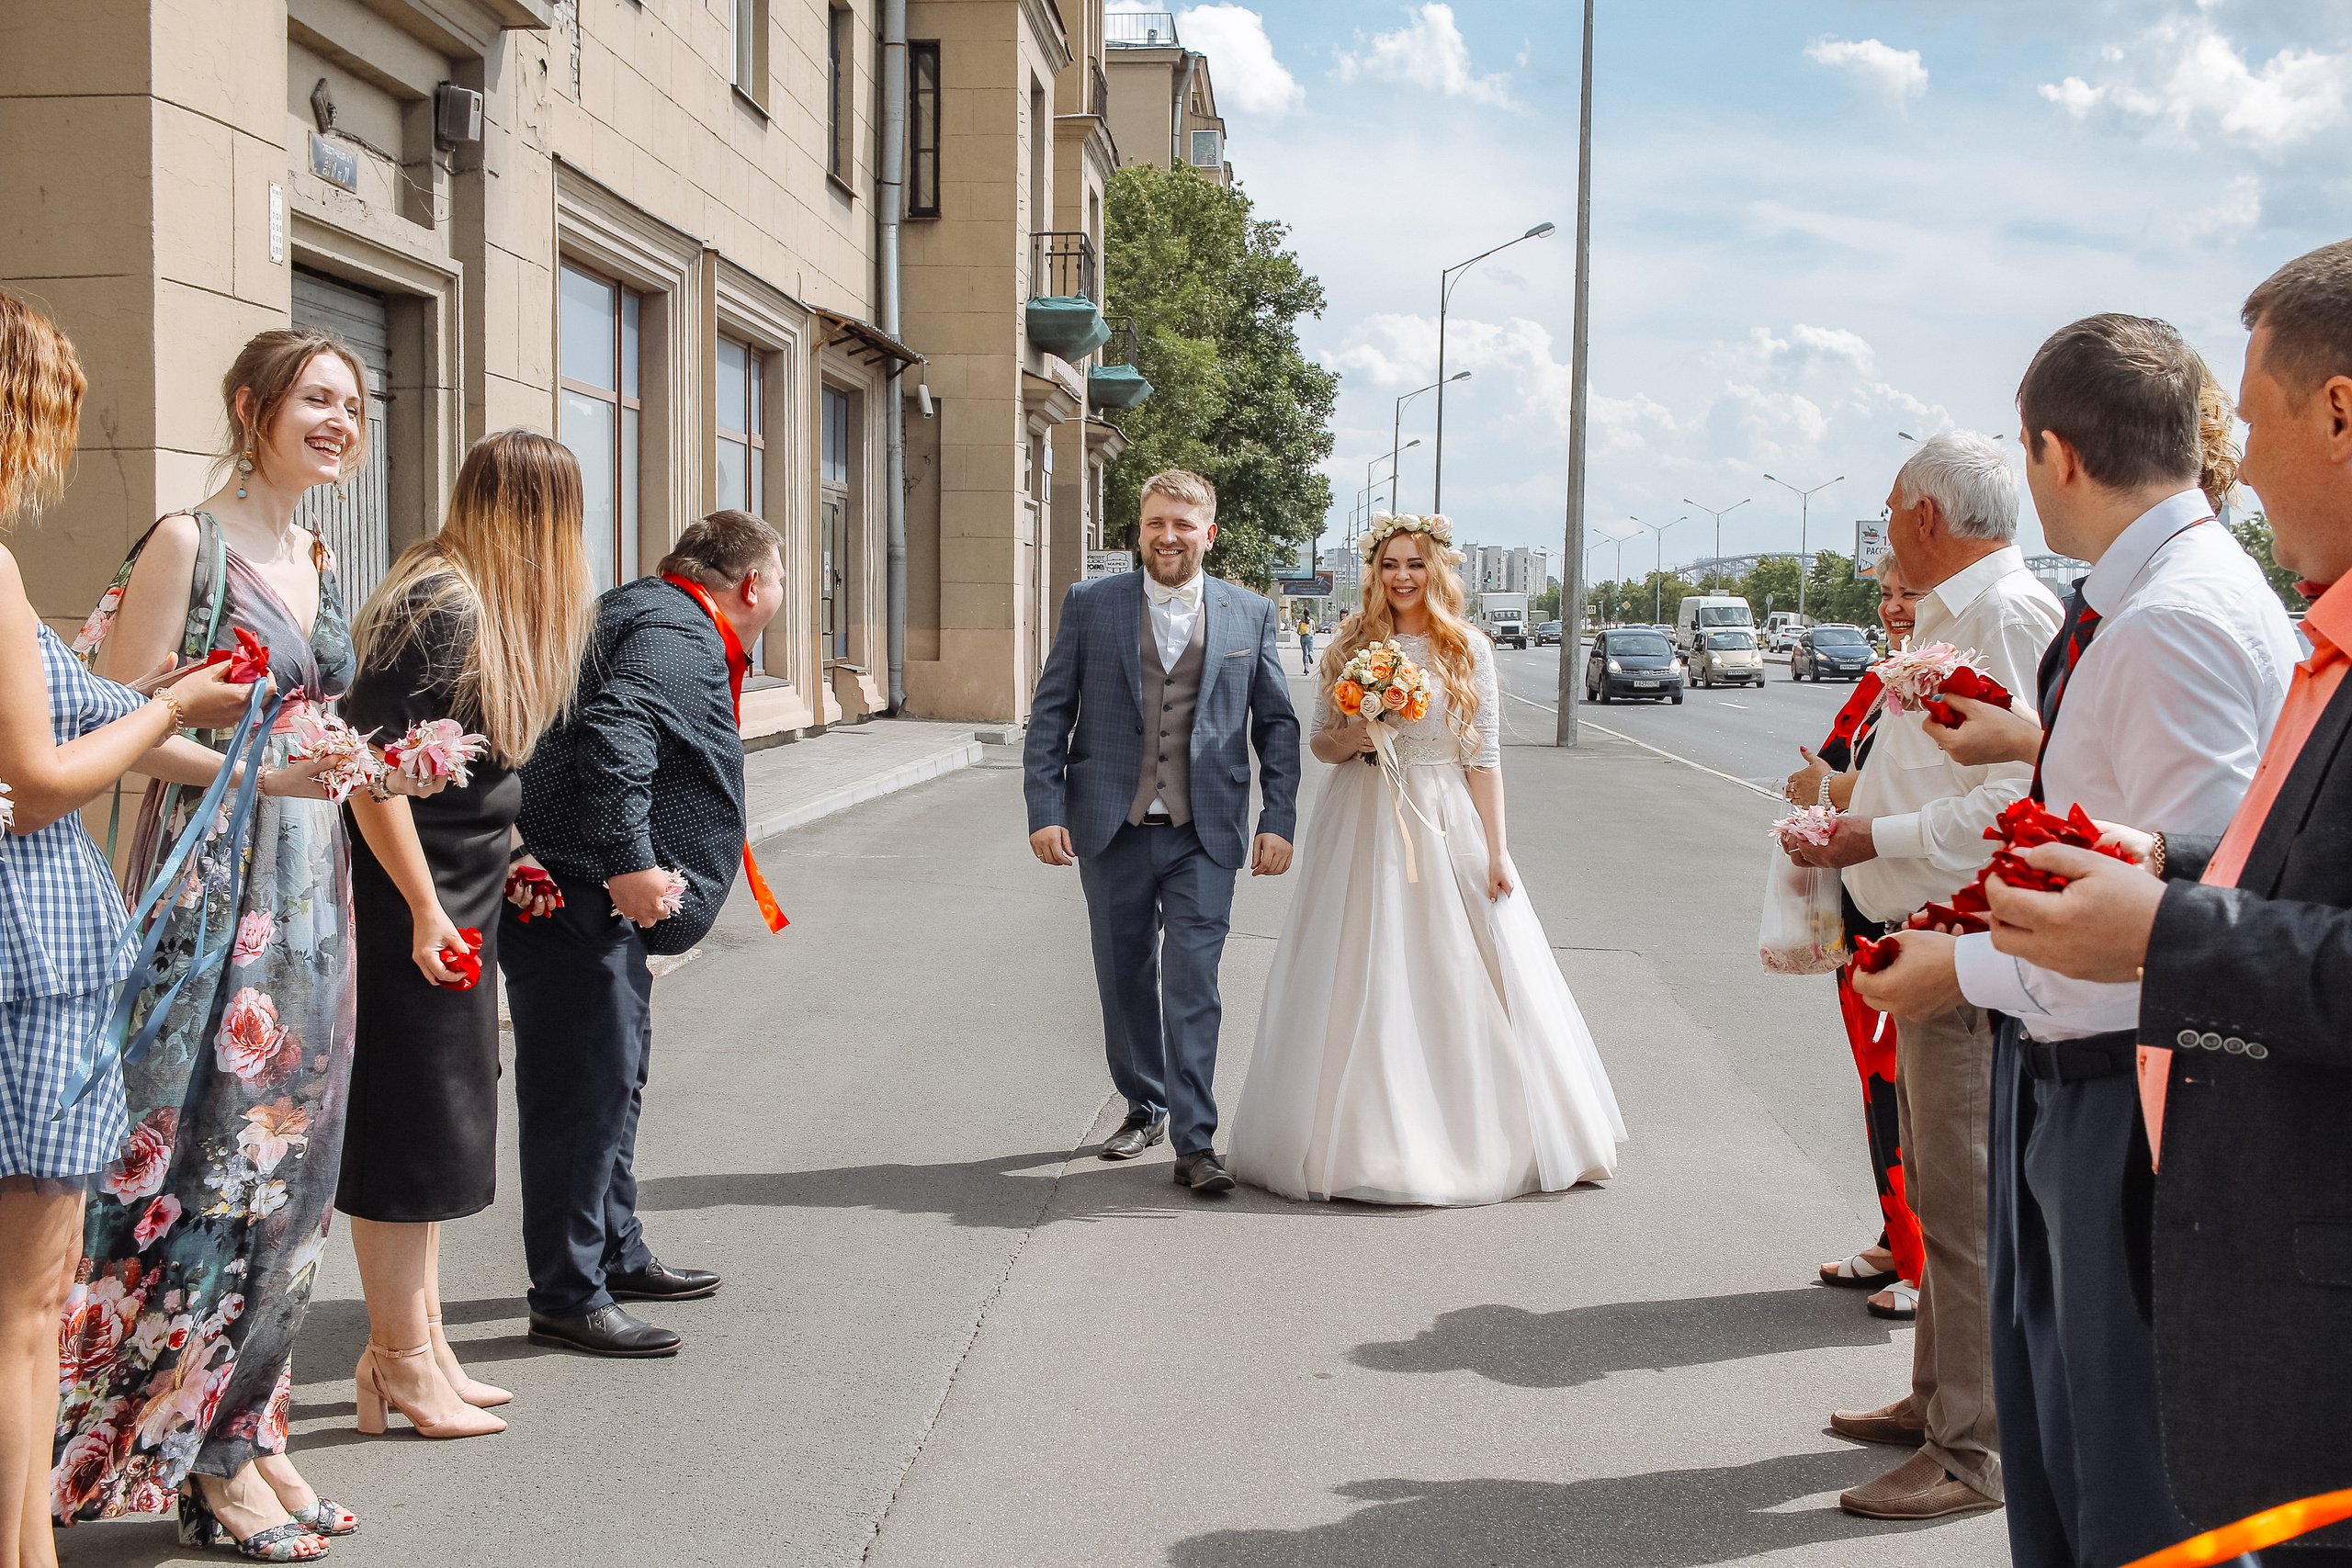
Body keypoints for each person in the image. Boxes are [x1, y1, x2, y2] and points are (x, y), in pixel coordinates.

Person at [1934, 265, 2352, 1561]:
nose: (2239, 464)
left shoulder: (2182, 610)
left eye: (2255, 417)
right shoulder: (2263, 611)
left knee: (2128, 1503)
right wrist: (2155, 855)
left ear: (2338, 413)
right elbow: (2276, 849)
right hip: (2149, 1101)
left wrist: (2158, 922)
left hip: (2152, 1106)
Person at [58, 328, 440, 1558]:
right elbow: (117, 719)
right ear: (251, 405)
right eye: (315, 398)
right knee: (205, 1173)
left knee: (290, 1181)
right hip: (215, 892)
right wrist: (263, 767)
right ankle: (194, 1457)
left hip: (312, 899)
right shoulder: (190, 540)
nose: (338, 419)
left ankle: (256, 1429)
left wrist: (372, 765)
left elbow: (320, 723)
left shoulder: (320, 551)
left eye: (352, 402)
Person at [0, 296, 284, 1568]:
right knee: (25, 1307)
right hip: (32, 955)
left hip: (39, 949)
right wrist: (179, 697)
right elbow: (52, 777)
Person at [1782, 430, 2063, 1522]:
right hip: (1926, 943)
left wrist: (1872, 837)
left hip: (1969, 946)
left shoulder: (2004, 616)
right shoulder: (1957, 616)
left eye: (1892, 504)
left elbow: (2016, 802)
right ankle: (1938, 1402)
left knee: (1967, 1210)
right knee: (1944, 1195)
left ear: (1928, 519)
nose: (1885, 521)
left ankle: (1972, 1453)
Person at [1226, 513, 1623, 1205]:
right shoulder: (1353, 642)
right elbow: (1322, 742)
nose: (1401, 576)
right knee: (1354, 962)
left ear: (1435, 571)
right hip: (1361, 811)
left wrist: (1498, 851)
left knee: (1446, 964)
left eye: (1413, 564)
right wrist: (1361, 729)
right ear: (1375, 572)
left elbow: (1486, 759)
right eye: (1389, 564)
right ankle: (1349, 1137)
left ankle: (1474, 1132)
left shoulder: (1466, 647)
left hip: (1441, 816)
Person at [337, 431, 594, 1436]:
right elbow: (371, 769)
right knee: (416, 1127)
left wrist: (512, 850)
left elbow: (466, 770)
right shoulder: (441, 604)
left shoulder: (458, 594)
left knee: (444, 1123)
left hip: (458, 885)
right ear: (541, 518)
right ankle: (399, 1360)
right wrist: (426, 908)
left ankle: (415, 1346)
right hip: (421, 897)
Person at [503, 510, 783, 1357]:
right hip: (583, 896)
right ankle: (567, 1291)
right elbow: (618, 728)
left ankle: (612, 1251)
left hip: (588, 899)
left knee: (612, 1081)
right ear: (753, 585)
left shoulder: (640, 609)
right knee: (583, 1096)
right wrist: (629, 858)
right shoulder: (676, 629)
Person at [1023, 468, 1299, 1194]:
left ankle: (1195, 1140)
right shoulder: (1091, 603)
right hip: (1110, 826)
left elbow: (1275, 725)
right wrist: (1044, 808)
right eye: (1155, 523)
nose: (1167, 536)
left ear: (1209, 532)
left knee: (1193, 981)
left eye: (1183, 523)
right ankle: (1142, 1103)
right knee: (1124, 979)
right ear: (1139, 529)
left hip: (1202, 830)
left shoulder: (1250, 613)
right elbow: (1052, 713)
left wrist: (1279, 819)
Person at [1785, 554, 1926, 1321]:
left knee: (1912, 1086)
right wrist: (1813, 797)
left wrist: (1826, 791)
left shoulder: (1943, 679)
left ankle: (1925, 1257)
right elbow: (1831, 762)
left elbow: (1910, 789)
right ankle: (1894, 1233)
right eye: (1886, 593)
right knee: (1878, 1084)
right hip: (1859, 903)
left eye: (1910, 592)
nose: (1894, 607)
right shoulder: (1881, 678)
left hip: (1912, 907)